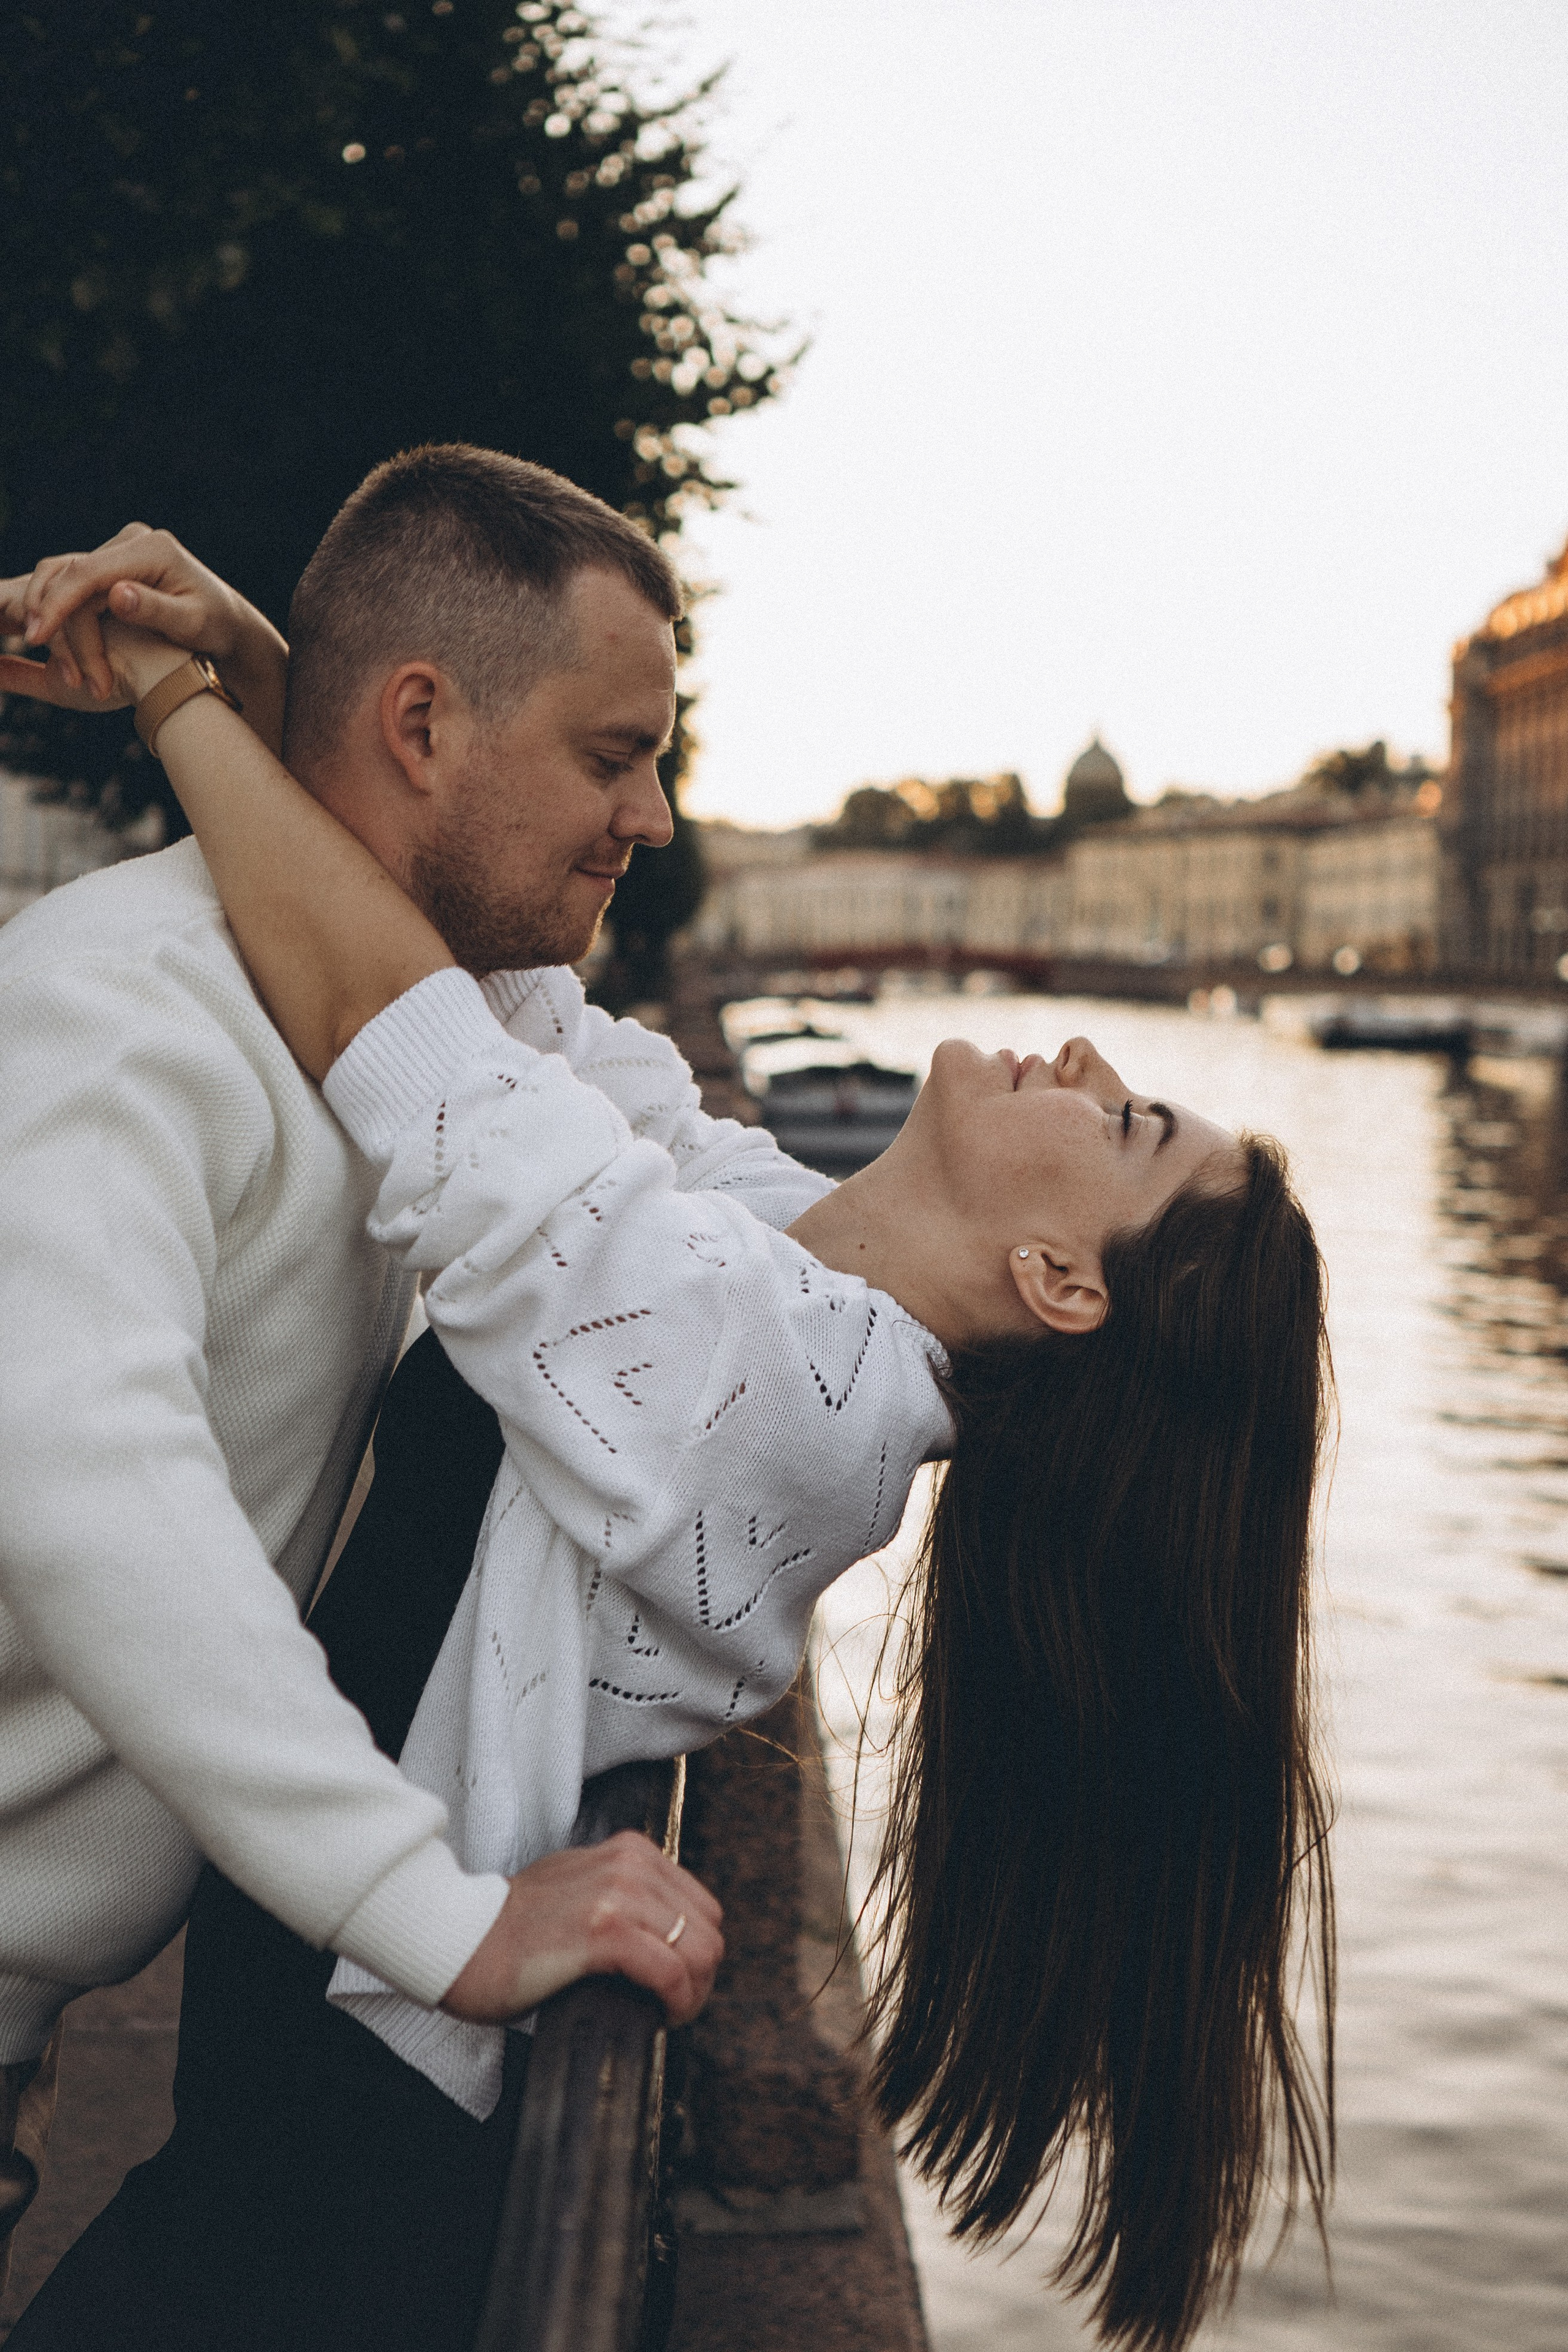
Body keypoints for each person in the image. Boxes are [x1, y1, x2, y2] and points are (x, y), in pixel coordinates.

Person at [6, 590, 1334, 2351]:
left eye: (1130, 1125)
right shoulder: (787, 1261)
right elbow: (520, 1019)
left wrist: (178, 698)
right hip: (310, 2077)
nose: (1086, 1060)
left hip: (351, 2162)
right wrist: (304, 687)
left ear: (1066, 1283)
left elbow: (419, 1051)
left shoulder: (787, 1393)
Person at [0, 450, 853, 2301]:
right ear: (420, 723)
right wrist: (430, 1916)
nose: (654, 812)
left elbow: (705, 1230)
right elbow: (85, 1479)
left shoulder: (451, 1043)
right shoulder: (121, 1002)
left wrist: (229, 677)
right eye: (617, 751)